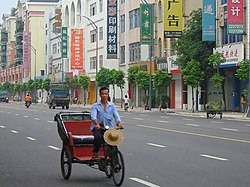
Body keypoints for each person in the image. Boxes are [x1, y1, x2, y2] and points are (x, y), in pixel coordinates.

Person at [90, 86, 124, 159]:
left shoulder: (112, 106)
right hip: (98, 128)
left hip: (109, 128)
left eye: (106, 94)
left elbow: (116, 115)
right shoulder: (95, 106)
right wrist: (97, 124)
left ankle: (115, 161)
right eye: (103, 94)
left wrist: (119, 123)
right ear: (100, 94)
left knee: (114, 141)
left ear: (108, 94)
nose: (104, 95)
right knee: (98, 138)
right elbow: (93, 116)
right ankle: (95, 152)